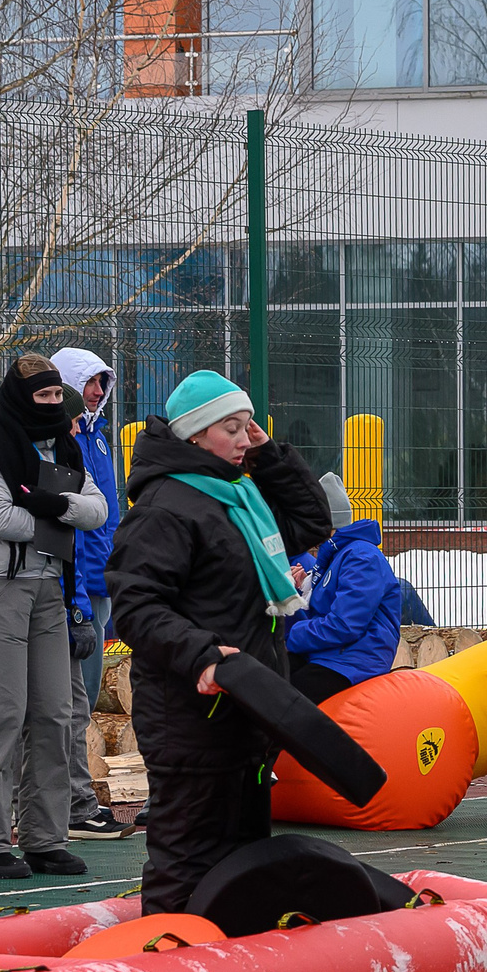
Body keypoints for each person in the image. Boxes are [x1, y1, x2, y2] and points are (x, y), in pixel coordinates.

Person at [106, 371, 332, 912]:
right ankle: (168, 950)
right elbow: (137, 607)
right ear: (195, 434)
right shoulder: (165, 507)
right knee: (186, 859)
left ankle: (232, 952)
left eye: (247, 426)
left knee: (245, 858)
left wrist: (269, 454)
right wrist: (202, 656)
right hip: (192, 715)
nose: (243, 438)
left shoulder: (238, 499)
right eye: (230, 428)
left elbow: (311, 521)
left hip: (248, 707)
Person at [0, 355, 110, 880]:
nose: (51, 403)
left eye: (55, 395)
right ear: (21, 397)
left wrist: (49, 505)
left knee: (54, 715)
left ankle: (45, 839)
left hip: (50, 589)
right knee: (5, 715)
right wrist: (64, 513)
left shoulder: (66, 447)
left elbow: (98, 510)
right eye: (42, 396)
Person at [48, 347, 134, 840]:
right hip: (72, 589)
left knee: (78, 697)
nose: (98, 392)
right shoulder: (63, 441)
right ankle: (67, 802)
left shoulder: (97, 438)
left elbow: (108, 517)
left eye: (104, 382)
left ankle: (66, 799)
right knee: (69, 700)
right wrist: (77, 597)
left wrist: (115, 578)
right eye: (90, 382)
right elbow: (73, 527)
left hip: (98, 587)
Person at [285, 474, 403, 703]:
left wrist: (291, 637)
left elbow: (344, 625)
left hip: (354, 660)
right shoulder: (337, 555)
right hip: (334, 654)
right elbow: (329, 609)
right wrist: (303, 587)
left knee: (285, 701)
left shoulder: (361, 557)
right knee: (268, 680)